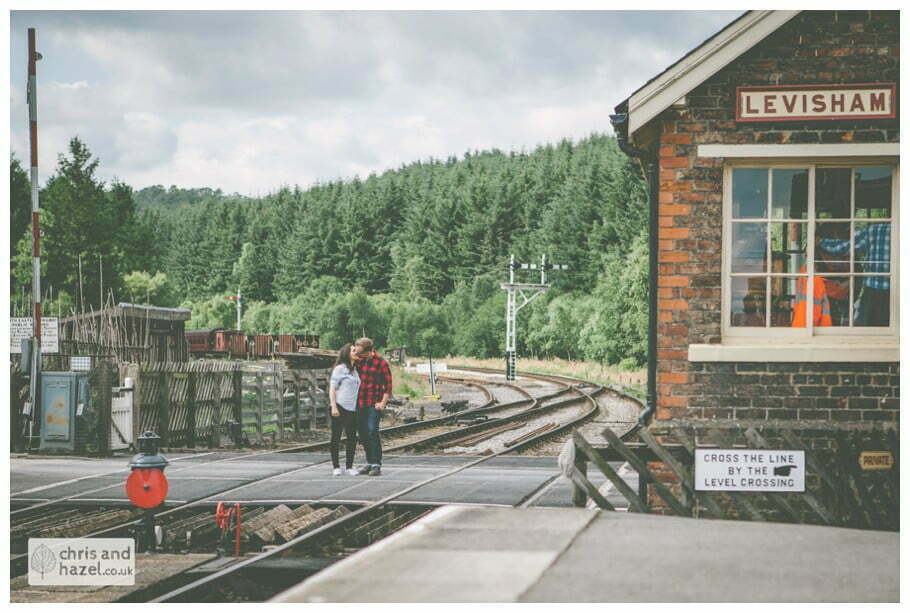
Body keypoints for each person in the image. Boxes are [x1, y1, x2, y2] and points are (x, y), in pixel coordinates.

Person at [818, 223, 891, 326]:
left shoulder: (877, 230)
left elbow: (845, 247)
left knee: (868, 330)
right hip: (877, 291)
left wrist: (819, 241)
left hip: (874, 292)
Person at [352, 337, 393, 477]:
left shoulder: (381, 363)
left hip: (373, 403)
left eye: (360, 351)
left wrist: (383, 403)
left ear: (368, 351)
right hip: (360, 402)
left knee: (372, 431)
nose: (359, 354)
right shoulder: (359, 361)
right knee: (362, 433)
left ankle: (376, 464)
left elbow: (388, 386)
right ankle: (369, 462)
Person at [328, 343, 360, 476]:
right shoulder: (340, 369)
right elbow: (332, 388)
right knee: (336, 436)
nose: (356, 352)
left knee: (352, 438)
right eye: (353, 350)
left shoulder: (355, 370)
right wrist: (333, 405)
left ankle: (349, 466)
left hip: (352, 408)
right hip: (340, 406)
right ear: (347, 353)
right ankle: (336, 466)